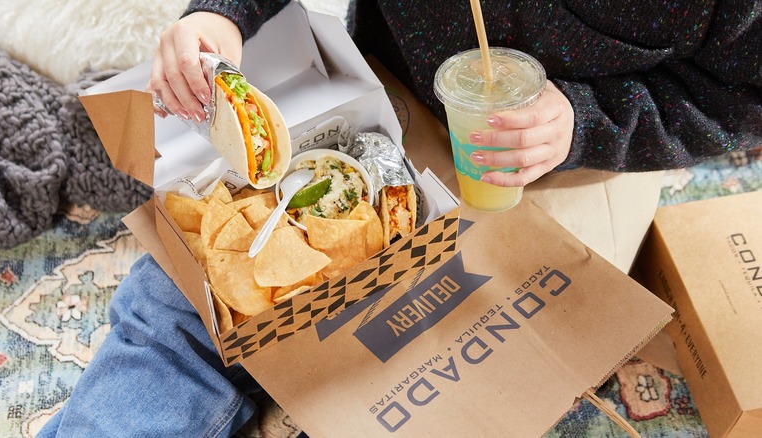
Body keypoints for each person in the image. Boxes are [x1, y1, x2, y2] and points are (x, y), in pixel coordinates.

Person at [39, 0, 761, 436]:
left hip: (579, 164)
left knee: (439, 393)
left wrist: (584, 124)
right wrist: (218, 15)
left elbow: (741, 99)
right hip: (392, 103)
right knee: (180, 313)